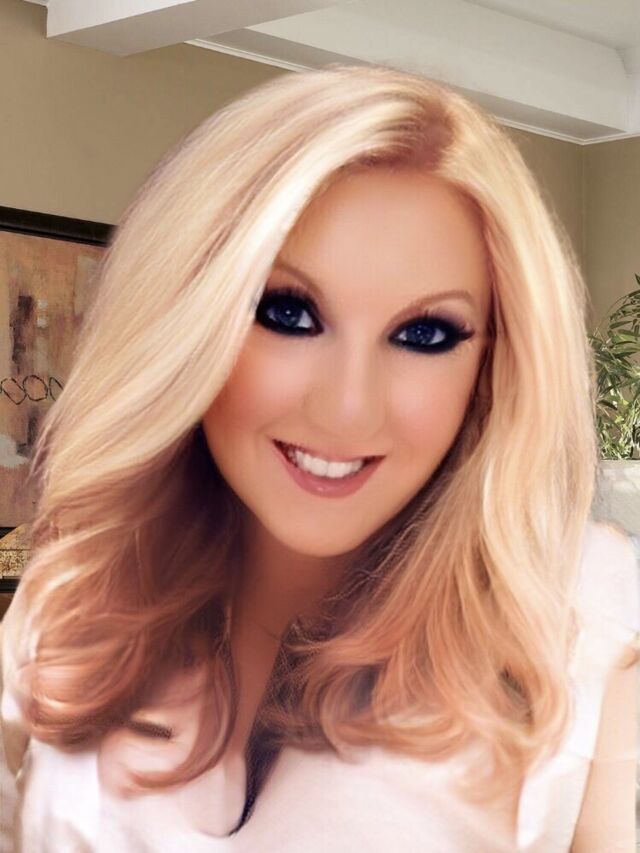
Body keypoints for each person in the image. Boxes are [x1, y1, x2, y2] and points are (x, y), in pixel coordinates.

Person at [1, 63, 638, 852]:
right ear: (189, 317)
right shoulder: (73, 603)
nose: (346, 408)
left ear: (491, 365)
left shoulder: (585, 632)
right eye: (288, 313)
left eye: (424, 334)